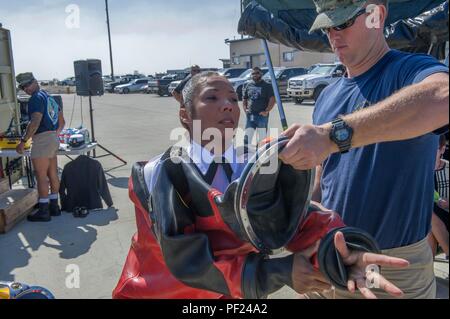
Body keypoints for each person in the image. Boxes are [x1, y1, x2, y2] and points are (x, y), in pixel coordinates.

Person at [113, 72, 409, 299]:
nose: (228, 105)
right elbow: (187, 260)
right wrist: (278, 272)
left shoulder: (256, 165)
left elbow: (296, 219)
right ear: (184, 115)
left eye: (232, 98)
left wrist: (342, 252)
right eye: (212, 98)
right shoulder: (155, 175)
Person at [279, 0, 449, 299]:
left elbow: (443, 96)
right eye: (327, 26)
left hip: (390, 267)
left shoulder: (410, 70)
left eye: (342, 23)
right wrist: (304, 233)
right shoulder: (328, 95)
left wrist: (334, 134)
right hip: (328, 257)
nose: (333, 34)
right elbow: (325, 177)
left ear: (377, 15)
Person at [15, 73, 65, 222]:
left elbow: (35, 122)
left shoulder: (36, 98)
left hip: (42, 139)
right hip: (52, 138)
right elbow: (62, 122)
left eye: (27, 85)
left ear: (35, 82)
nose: (26, 89)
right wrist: (53, 135)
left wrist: (23, 141)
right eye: (23, 87)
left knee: (41, 175)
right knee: (52, 173)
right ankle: (54, 206)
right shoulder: (50, 97)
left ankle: (44, 210)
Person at [242, 67, 276, 148]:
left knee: (262, 139)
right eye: (253, 73)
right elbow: (245, 98)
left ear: (261, 74)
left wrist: (267, 111)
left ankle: (259, 156)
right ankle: (246, 154)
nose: (255, 75)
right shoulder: (248, 85)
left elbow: (272, 99)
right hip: (250, 115)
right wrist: (245, 109)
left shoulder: (267, 86)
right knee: (247, 137)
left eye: (257, 73)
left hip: (262, 116)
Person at [428, 134, 449, 257]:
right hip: (428, 220)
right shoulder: (420, 171)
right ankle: (427, 272)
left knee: (430, 218)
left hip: (446, 213)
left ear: (442, 149)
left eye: (434, 148)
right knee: (429, 225)